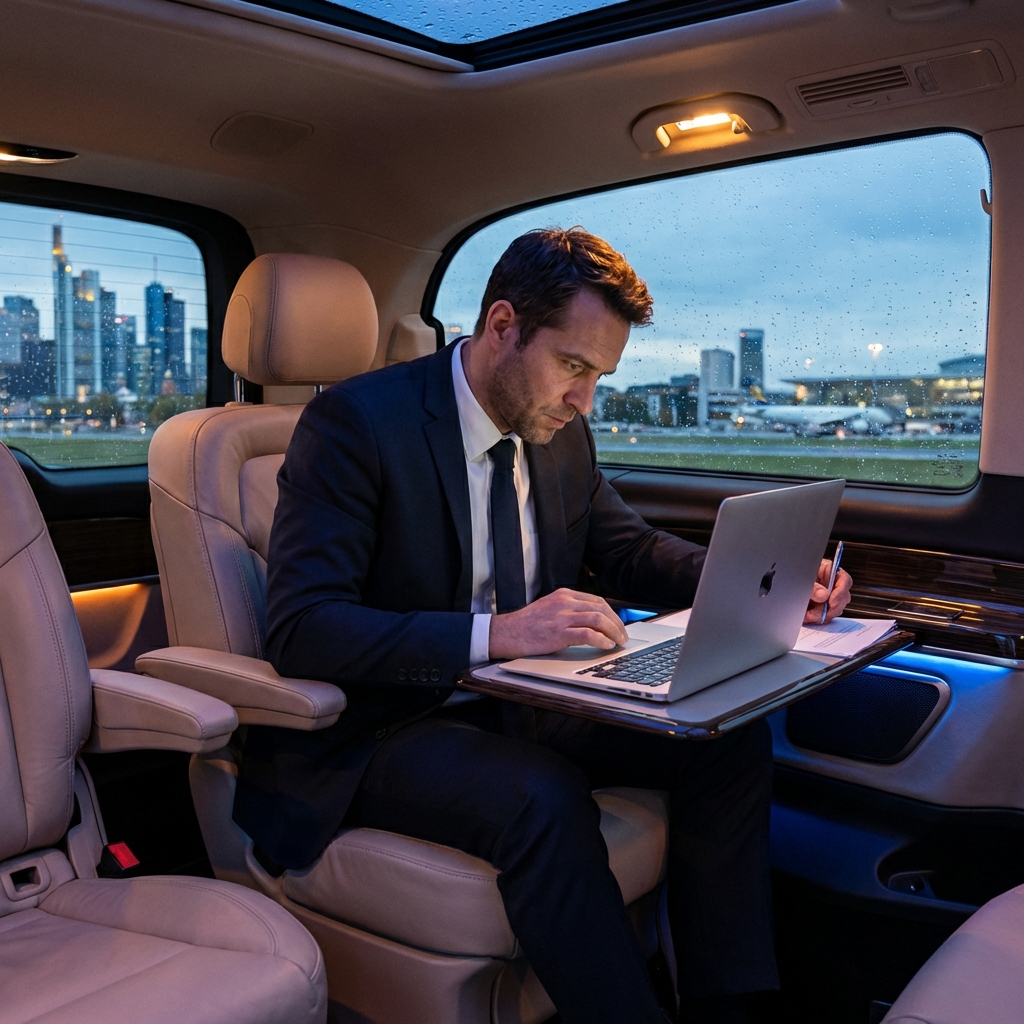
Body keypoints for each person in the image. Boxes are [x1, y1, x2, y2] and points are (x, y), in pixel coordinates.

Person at [236, 228, 853, 1024]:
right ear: (502, 327)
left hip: (533, 700)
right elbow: (303, 627)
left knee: (727, 740)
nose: (585, 399)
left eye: (600, 375)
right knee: (543, 795)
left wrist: (758, 579)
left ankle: (731, 1009)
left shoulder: (560, 433)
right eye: (573, 367)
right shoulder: (357, 425)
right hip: (388, 725)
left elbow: (625, 548)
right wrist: (499, 633)